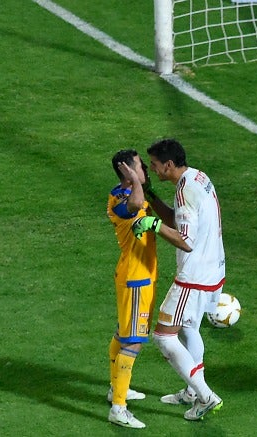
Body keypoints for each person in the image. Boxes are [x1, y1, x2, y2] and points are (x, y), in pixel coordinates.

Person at [132, 138, 225, 421]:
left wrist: (153, 224)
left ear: (169, 165)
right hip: (213, 269)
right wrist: (151, 199)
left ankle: (206, 396)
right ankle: (191, 391)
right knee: (188, 329)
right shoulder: (198, 177)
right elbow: (179, 220)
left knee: (163, 336)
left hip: (193, 277)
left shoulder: (185, 194)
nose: (152, 170)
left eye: (155, 165)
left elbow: (185, 240)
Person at [104, 149, 159, 429]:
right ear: (126, 171)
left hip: (138, 276)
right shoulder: (120, 199)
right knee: (133, 342)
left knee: (122, 333)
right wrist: (135, 181)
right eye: (139, 166)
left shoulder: (122, 192)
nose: (145, 170)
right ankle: (119, 408)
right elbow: (136, 204)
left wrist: (136, 180)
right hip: (135, 278)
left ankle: (117, 390)